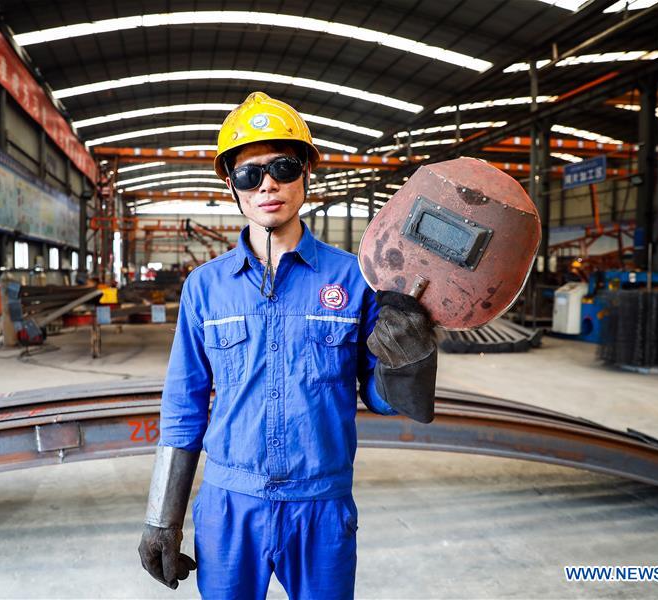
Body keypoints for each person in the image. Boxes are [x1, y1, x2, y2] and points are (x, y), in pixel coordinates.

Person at [138, 91, 438, 599]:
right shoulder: (205, 287)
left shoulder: (355, 279)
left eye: (283, 167)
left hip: (321, 504)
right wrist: (161, 517)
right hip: (230, 506)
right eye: (249, 174)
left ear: (306, 173)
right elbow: (183, 405)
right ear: (231, 185)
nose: (268, 184)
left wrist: (410, 358)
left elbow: (381, 398)